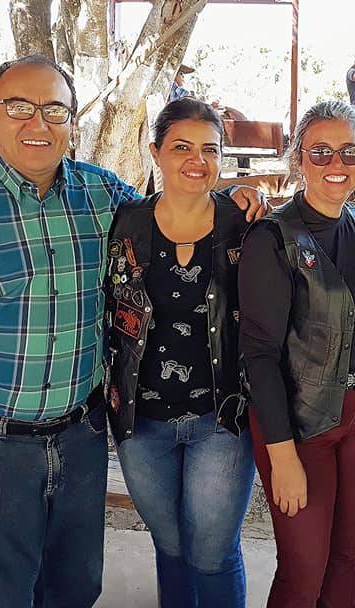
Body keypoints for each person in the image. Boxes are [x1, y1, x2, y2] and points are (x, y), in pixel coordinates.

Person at [0, 54, 266, 608]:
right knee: (5, 594)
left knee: (76, 589)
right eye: (20, 108)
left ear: (71, 120)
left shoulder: (103, 196)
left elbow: (177, 206)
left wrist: (236, 193)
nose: (39, 123)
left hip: (81, 436)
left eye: (55, 109)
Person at [239, 100, 355, 607]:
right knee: (304, 566)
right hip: (300, 419)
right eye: (321, 152)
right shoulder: (272, 237)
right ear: (299, 159)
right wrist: (281, 454)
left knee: (346, 553)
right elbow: (259, 354)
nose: (335, 164)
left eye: (348, 152)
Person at [105, 97, 255, 608]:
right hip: (141, 422)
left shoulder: (245, 223)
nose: (197, 160)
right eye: (182, 148)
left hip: (220, 420)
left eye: (210, 150)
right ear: (156, 152)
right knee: (169, 546)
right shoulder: (125, 222)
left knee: (212, 553)